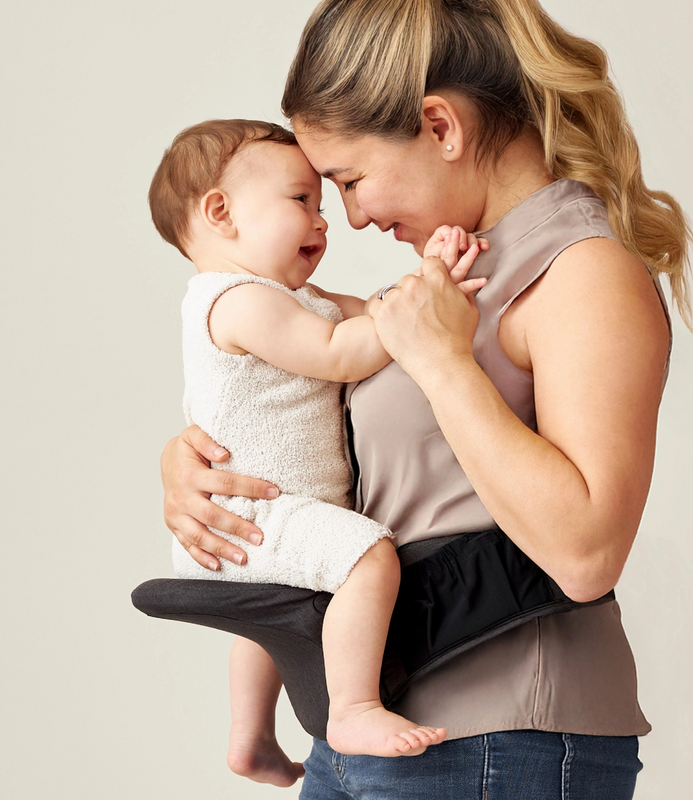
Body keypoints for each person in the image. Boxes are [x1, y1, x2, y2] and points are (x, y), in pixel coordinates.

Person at [159, 1, 693, 797]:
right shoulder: (453, 271)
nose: (353, 216)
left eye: (350, 178)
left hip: (501, 737)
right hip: (367, 729)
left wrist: (444, 364)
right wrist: (194, 463)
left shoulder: (582, 271)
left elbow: (587, 552)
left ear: (440, 126)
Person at [147, 119, 487, 777]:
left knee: (272, 615)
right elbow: (342, 353)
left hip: (257, 521)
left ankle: (249, 736)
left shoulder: (294, 298)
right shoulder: (238, 301)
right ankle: (352, 708)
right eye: (301, 200)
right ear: (221, 213)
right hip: (258, 516)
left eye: (322, 204)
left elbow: (375, 312)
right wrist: (423, 298)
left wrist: (431, 278)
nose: (324, 220)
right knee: (368, 556)